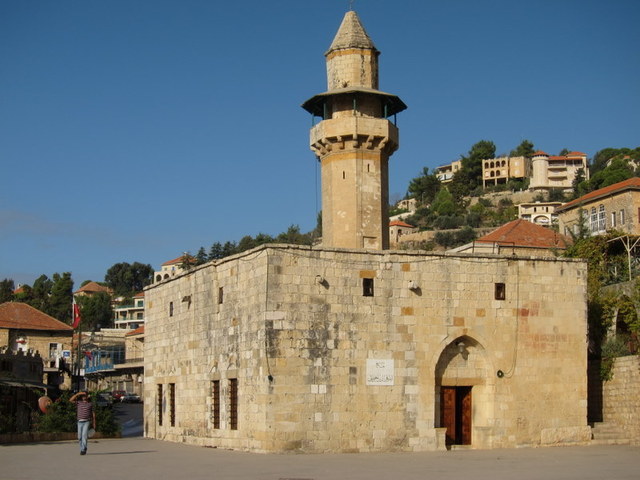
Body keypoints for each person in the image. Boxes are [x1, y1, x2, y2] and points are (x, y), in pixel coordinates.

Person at [69, 391, 96, 455]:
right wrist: (78, 394)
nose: (84, 397)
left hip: (86, 421)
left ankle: (83, 449)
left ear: (87, 396)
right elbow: (70, 400)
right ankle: (82, 448)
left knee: (84, 435)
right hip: (79, 422)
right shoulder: (79, 403)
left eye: (85, 396)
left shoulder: (90, 404)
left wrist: (94, 423)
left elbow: (93, 414)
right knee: (79, 437)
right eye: (83, 396)